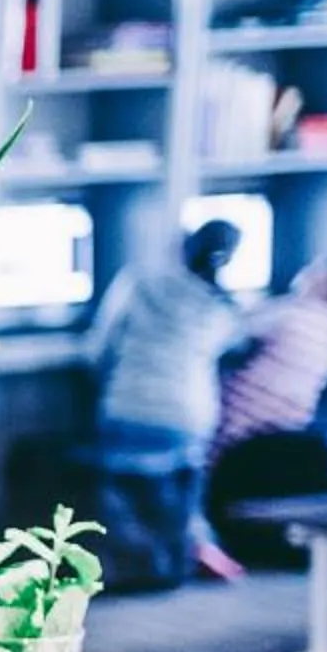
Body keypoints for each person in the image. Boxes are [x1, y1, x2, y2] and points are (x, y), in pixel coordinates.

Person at [91, 218, 248, 580]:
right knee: (184, 490)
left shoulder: (138, 283)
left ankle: (129, 564)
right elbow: (234, 350)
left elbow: (99, 349)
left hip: (127, 407)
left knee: (121, 486)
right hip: (189, 415)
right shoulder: (223, 309)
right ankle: (191, 546)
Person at [215, 256, 327, 456]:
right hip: (285, 437)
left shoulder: (288, 314)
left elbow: (227, 336)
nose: (306, 270)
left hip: (237, 430)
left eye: (316, 269)